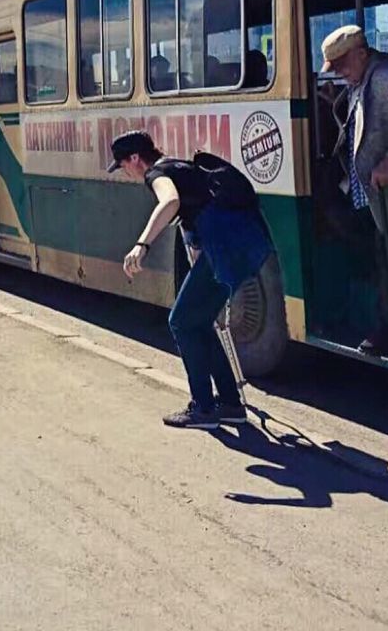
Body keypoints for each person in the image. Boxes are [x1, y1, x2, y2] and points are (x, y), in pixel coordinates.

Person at [109, 130, 272, 429]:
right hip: (242, 243)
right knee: (198, 321)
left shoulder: (156, 173)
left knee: (181, 322)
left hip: (226, 247)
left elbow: (170, 201)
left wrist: (141, 245)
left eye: (122, 164)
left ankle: (204, 409)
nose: (125, 171)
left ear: (135, 158)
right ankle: (230, 405)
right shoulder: (177, 164)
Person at [320, 24, 388, 356]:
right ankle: (386, 324)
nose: (341, 74)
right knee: (378, 253)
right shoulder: (362, 78)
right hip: (368, 189)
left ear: (362, 53)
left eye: (344, 65)